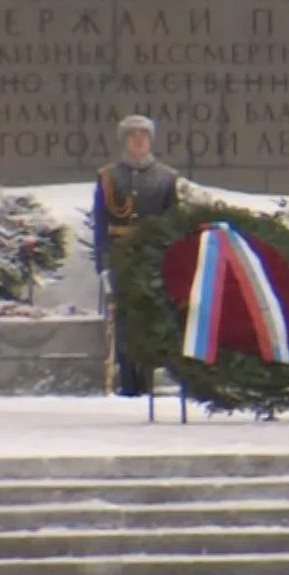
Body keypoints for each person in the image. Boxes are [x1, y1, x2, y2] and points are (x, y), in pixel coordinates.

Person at [90, 114, 179, 397]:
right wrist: (103, 262)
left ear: (150, 141)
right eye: (132, 136)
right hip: (121, 254)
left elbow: (172, 220)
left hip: (153, 255)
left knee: (152, 313)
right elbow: (101, 222)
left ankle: (151, 373)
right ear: (124, 141)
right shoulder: (108, 177)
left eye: (143, 136)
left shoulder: (166, 177)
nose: (138, 141)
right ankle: (129, 381)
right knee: (125, 317)